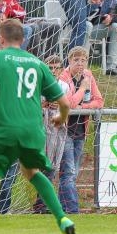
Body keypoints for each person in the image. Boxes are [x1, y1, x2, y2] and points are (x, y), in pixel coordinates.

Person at [0, 19, 76, 234]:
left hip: (6, 128)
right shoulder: (37, 63)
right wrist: (60, 118)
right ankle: (63, 219)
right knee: (32, 173)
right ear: (23, 39)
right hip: (34, 130)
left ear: (0, 38)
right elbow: (65, 103)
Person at [57, 46, 103, 214]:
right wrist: (83, 89)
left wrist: (83, 106)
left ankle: (62, 207)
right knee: (68, 172)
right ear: (69, 61)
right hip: (64, 130)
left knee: (72, 173)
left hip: (80, 131)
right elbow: (69, 103)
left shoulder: (88, 75)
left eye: (83, 60)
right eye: (76, 60)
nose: (80, 63)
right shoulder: (63, 77)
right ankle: (73, 209)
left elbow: (99, 101)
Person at [33, 55, 70, 214]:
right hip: (40, 129)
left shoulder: (64, 86)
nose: (53, 71)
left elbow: (67, 107)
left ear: (61, 70)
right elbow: (30, 106)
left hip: (56, 129)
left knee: (52, 167)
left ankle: (41, 204)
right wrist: (44, 104)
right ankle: (41, 204)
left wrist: (60, 107)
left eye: (56, 68)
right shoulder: (37, 85)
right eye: (50, 68)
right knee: (43, 167)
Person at [84, 0, 117, 75]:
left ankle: (111, 67)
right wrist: (89, 1)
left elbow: (115, 15)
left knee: (115, 26)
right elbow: (81, 9)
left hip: (96, 29)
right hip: (82, 26)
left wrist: (111, 18)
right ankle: (82, 64)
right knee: (88, 25)